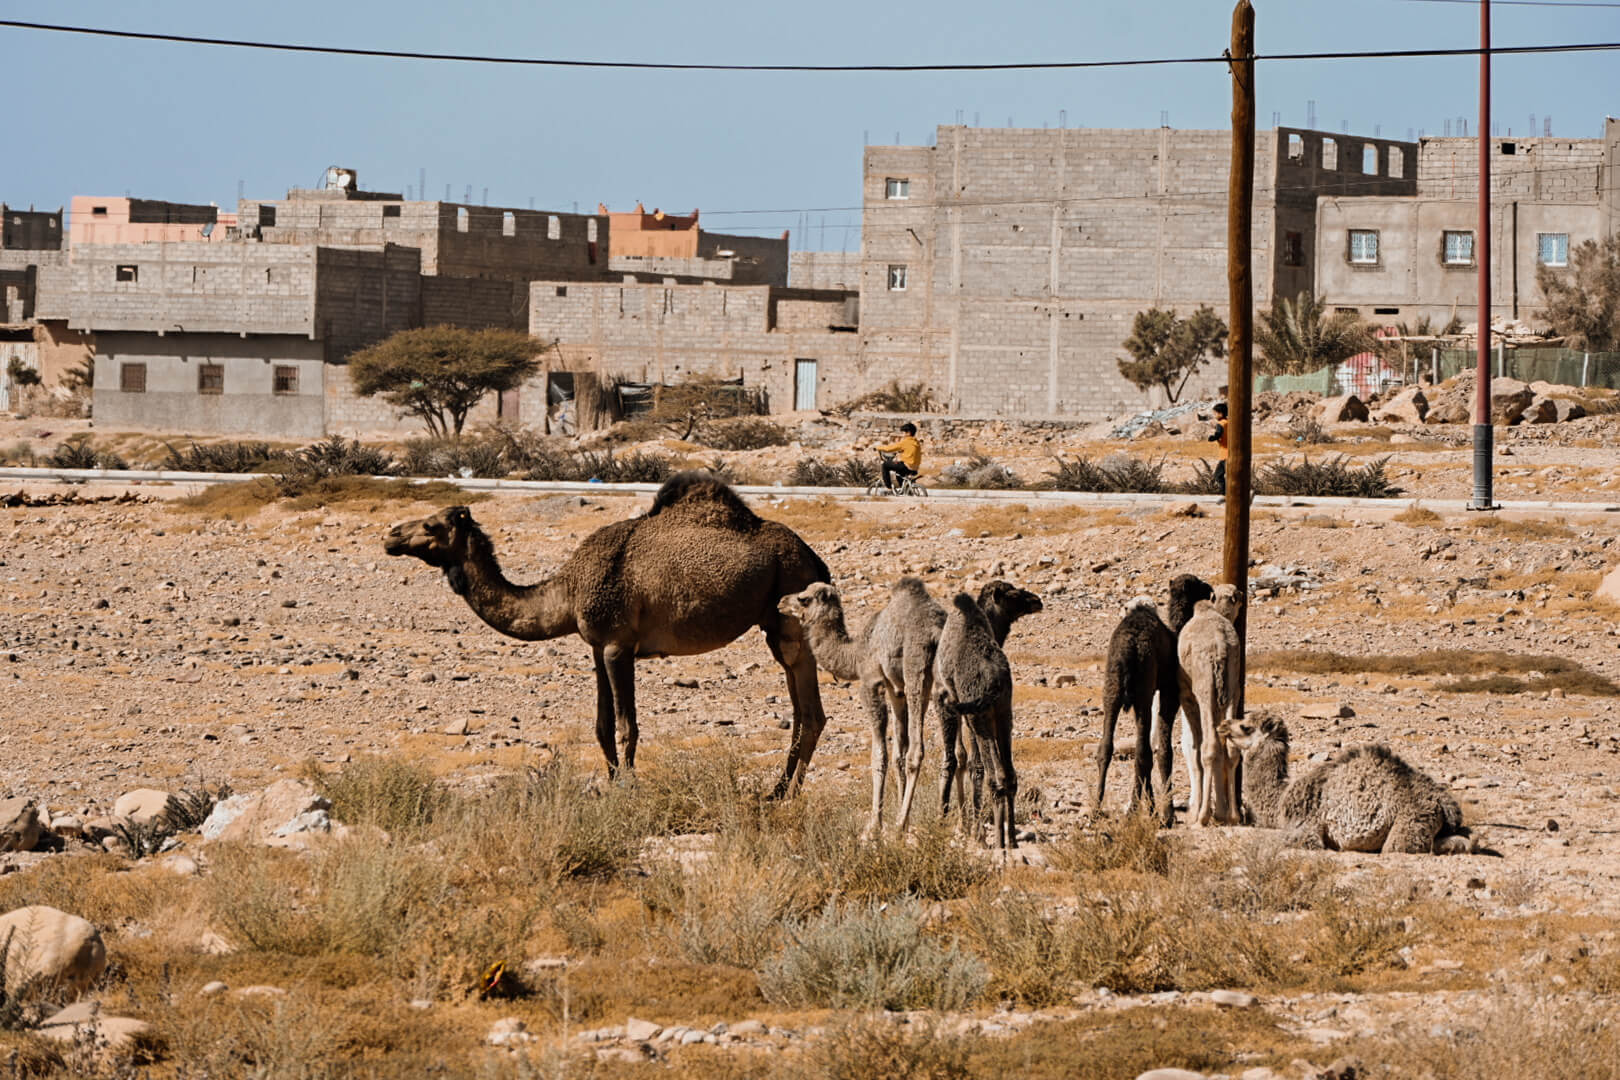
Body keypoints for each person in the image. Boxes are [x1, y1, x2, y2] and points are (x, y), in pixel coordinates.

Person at [875, 422, 922, 491]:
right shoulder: (916, 442)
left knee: (885, 465)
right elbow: (911, 453)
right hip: (915, 468)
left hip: (906, 466)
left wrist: (878, 447)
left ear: (908, 433)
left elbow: (889, 449)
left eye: (903, 433)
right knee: (899, 474)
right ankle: (905, 490)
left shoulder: (905, 442)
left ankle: (888, 487)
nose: (902, 435)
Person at [1209, 402, 1229, 494]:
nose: (1215, 415)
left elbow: (1218, 434)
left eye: (1215, 413)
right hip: (1230, 453)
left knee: (1218, 476)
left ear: (1220, 413)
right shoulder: (1229, 422)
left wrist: (1212, 438)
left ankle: (1224, 493)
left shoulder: (1220, 424)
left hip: (1224, 455)